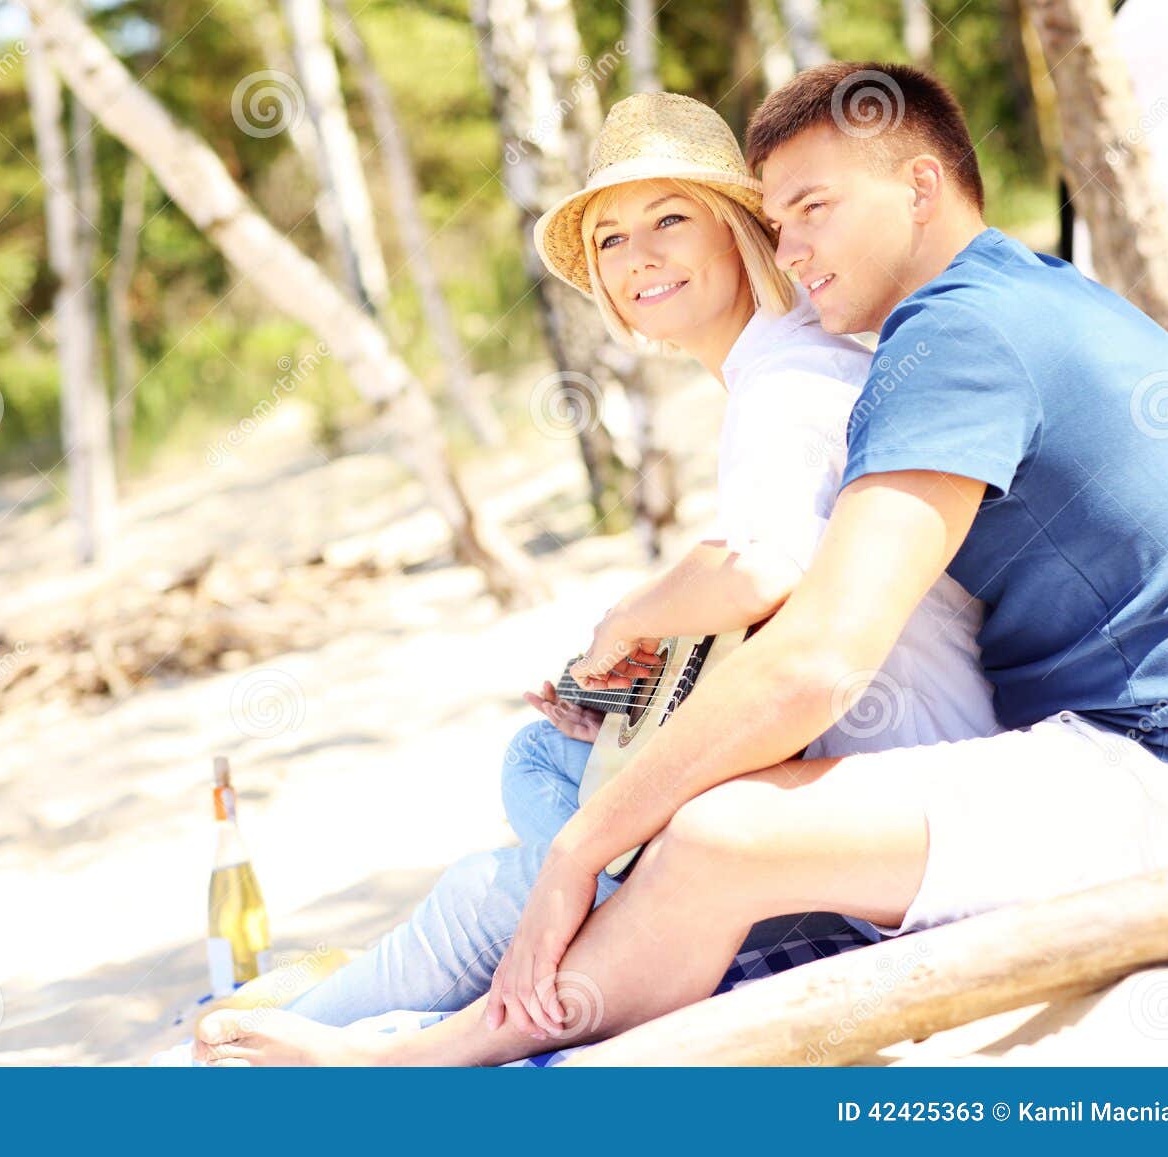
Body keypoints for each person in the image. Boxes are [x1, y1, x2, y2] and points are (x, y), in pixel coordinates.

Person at [179, 89, 1012, 1065]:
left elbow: (761, 570)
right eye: (611, 239)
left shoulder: (787, 385)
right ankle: (368, 995)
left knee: (499, 885)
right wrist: (643, 681)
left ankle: (301, 1031)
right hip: (844, 751)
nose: (638, 257)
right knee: (535, 759)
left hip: (886, 787)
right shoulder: (771, 371)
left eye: (669, 220)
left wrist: (626, 616)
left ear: (742, 230)